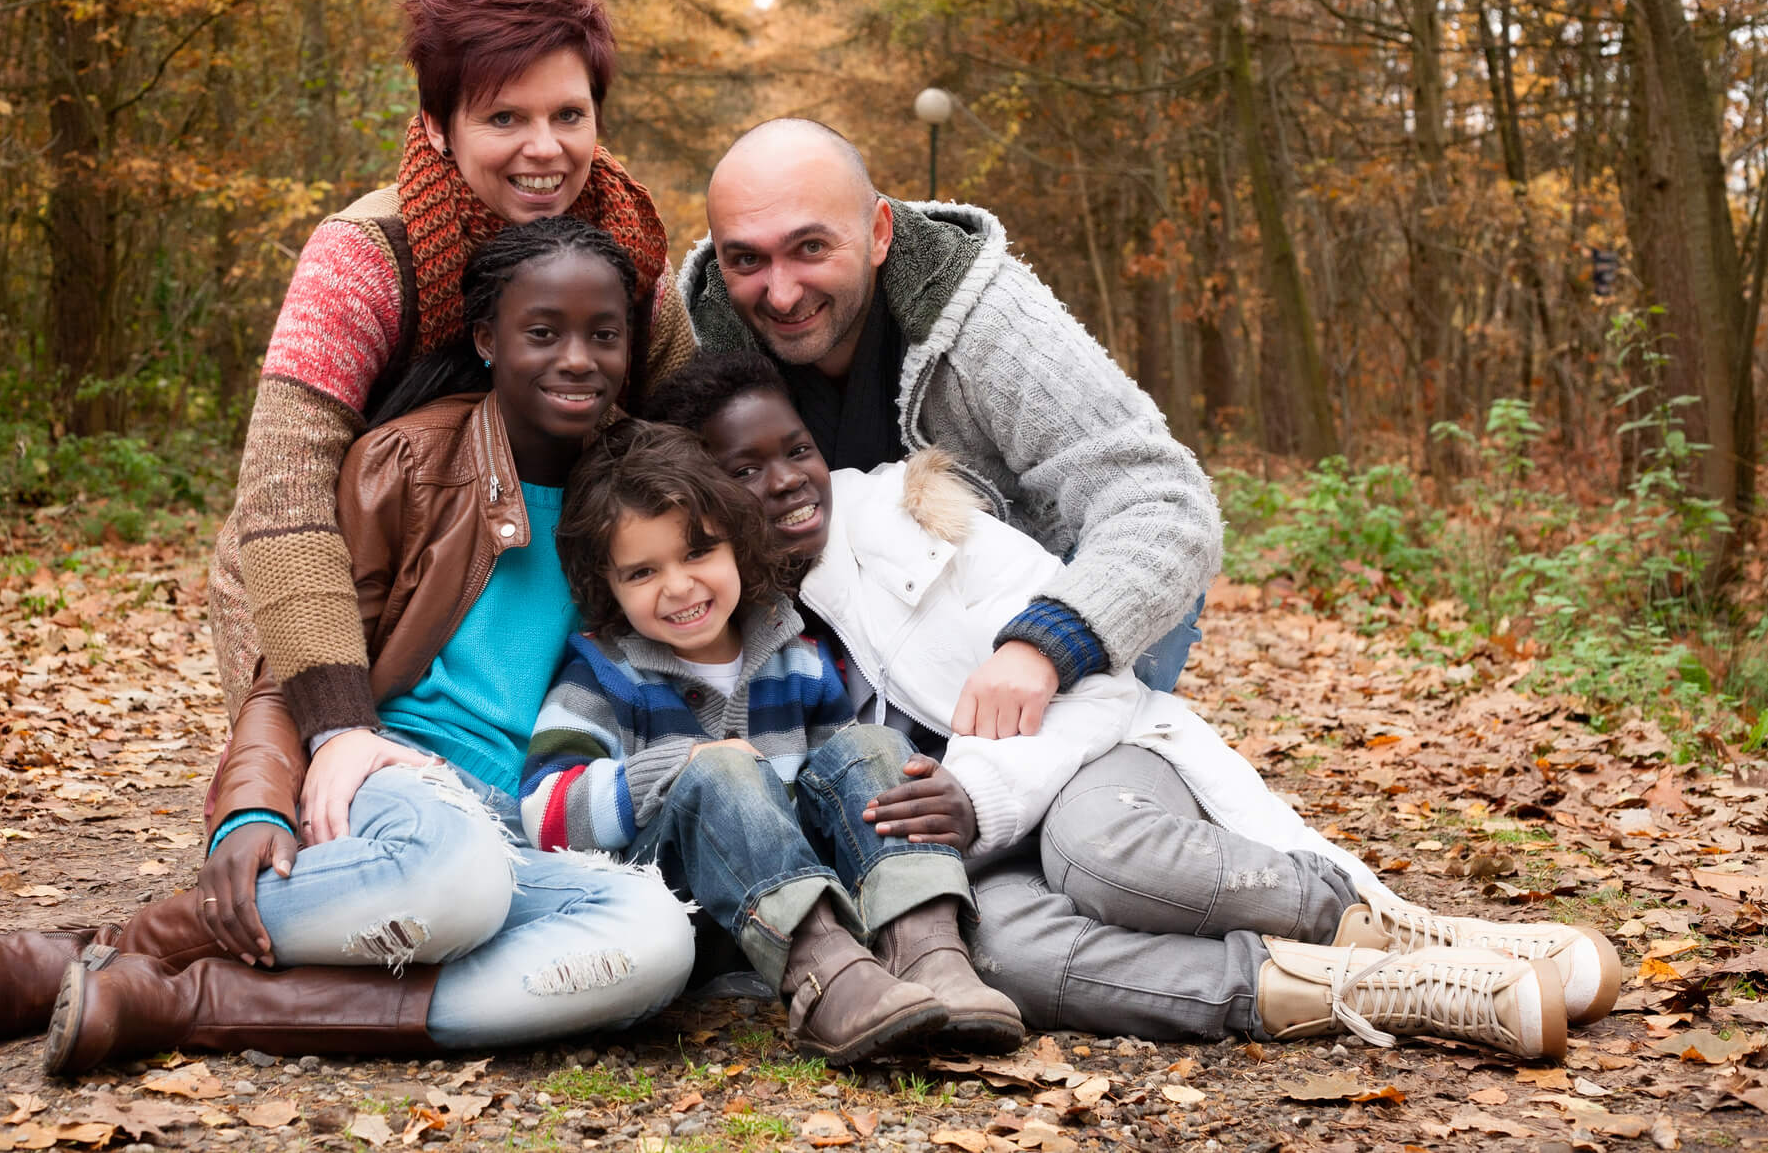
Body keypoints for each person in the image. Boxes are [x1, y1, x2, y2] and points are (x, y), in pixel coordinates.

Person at [639, 354, 1622, 1060]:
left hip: (1092, 758)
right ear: (697, 493)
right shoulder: (716, 619)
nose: (784, 482)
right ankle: (1385, 989)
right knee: (1004, 957)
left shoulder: (921, 524)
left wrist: (981, 794)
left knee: (1102, 854)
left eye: (794, 449)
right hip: (959, 855)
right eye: (743, 468)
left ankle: (1407, 928)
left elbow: (1105, 692)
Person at [0, 221, 695, 1075]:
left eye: (604, 336)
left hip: (534, 821)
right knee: (458, 883)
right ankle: (126, 942)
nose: (576, 359)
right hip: (397, 789)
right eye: (542, 332)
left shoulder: (645, 480)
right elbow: (297, 666)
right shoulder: (405, 464)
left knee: (656, 937)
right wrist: (253, 809)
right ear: (487, 340)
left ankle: (176, 1001)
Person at [209, 0, 691, 743]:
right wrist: (335, 727)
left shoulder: (632, 262)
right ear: (438, 125)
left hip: (535, 597)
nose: (545, 148)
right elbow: (284, 495)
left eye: (568, 114)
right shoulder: (364, 256)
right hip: (343, 588)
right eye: (504, 116)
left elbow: (690, 445)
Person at [519, 421, 1023, 1063]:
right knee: (721, 774)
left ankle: (926, 951)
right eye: (642, 571)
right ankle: (823, 980)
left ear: (737, 544)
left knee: (873, 746)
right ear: (608, 585)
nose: (678, 586)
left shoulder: (799, 660)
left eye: (697, 552)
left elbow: (846, 802)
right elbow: (544, 813)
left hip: (829, 906)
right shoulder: (604, 672)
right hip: (695, 916)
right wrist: (679, 767)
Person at [682, 118, 1216, 709]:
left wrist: (1048, 642)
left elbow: (1163, 498)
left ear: (879, 232)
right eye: (747, 260)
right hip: (843, 653)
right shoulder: (701, 358)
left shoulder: (989, 319)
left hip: (1029, 608)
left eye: (811, 247)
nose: (781, 293)